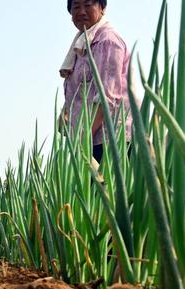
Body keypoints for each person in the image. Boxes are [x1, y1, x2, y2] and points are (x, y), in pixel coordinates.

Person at [59, 0, 132, 165]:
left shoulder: (107, 41)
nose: (81, 11)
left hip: (112, 138)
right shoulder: (84, 43)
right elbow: (83, 88)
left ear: (102, 8)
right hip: (93, 138)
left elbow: (106, 97)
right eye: (76, 7)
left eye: (88, 5)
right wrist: (66, 114)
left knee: (109, 189)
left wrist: (83, 137)